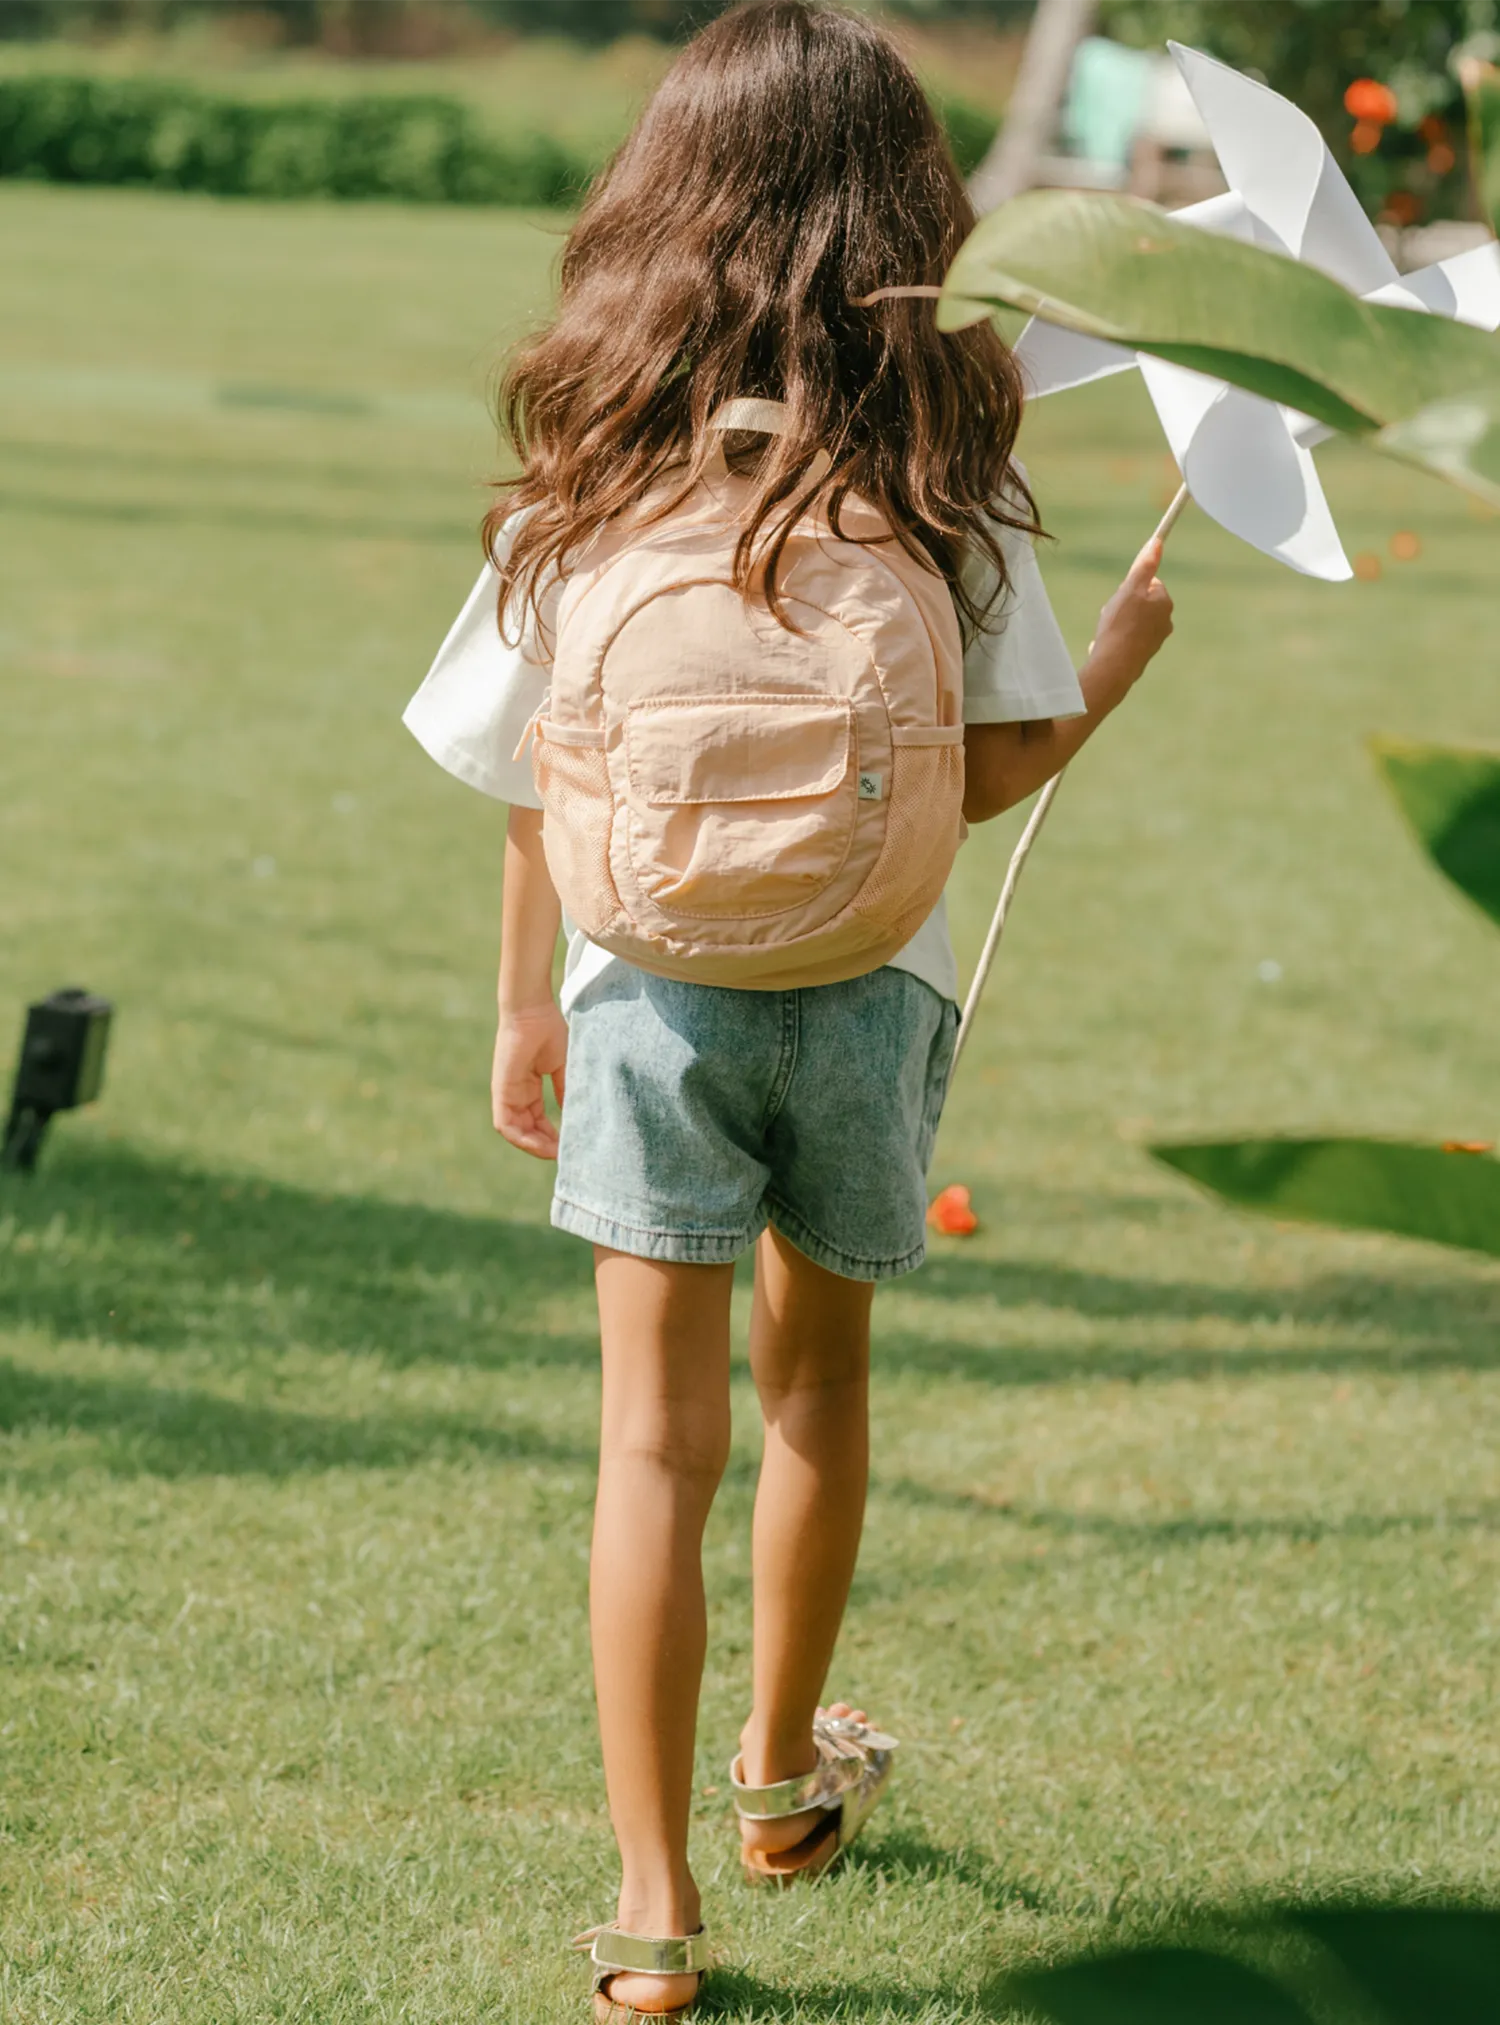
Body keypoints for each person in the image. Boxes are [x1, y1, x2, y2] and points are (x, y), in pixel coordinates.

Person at [404, 3, 1174, 2012]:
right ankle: (777, 1778)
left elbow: (529, 777)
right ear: (914, 212)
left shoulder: (582, 475)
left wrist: (522, 1012)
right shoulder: (942, 471)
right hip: (863, 997)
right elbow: (986, 774)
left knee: (650, 1450)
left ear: (664, 196)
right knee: (813, 1390)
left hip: (640, 998)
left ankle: (652, 1909)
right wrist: (1110, 667)